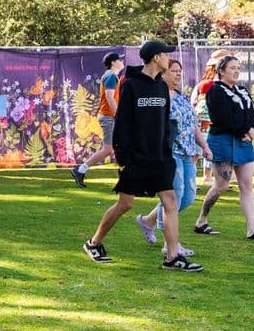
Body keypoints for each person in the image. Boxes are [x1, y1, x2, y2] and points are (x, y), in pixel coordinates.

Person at [81, 41, 202, 271]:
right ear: (156, 57)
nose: (168, 59)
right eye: (165, 55)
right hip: (135, 158)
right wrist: (123, 159)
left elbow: (164, 124)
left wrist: (166, 151)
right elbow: (122, 123)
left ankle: (172, 257)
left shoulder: (161, 86)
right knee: (125, 204)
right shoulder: (131, 85)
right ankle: (94, 243)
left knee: (170, 201)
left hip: (160, 158)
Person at [133, 58, 208, 256]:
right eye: (174, 71)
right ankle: (170, 245)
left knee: (188, 197)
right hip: (168, 153)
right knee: (174, 197)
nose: (178, 74)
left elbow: (193, 125)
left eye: (180, 71)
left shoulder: (181, 97)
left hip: (187, 153)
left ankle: (147, 221)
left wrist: (204, 147)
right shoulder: (156, 98)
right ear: (163, 73)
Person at [192, 55, 254, 240]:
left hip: (244, 141)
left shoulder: (242, 90)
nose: (236, 71)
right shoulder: (215, 91)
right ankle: (201, 220)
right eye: (232, 68)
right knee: (222, 185)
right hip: (223, 141)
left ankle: (252, 229)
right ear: (221, 71)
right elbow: (222, 118)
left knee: (247, 185)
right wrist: (245, 129)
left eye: (238, 68)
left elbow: (253, 115)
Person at [71, 51, 125, 187]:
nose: (122, 62)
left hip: (109, 116)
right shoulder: (111, 76)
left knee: (119, 147)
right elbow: (109, 97)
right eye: (119, 60)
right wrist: (118, 115)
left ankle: (125, 175)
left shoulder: (111, 76)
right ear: (113, 62)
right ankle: (80, 170)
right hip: (108, 116)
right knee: (108, 149)